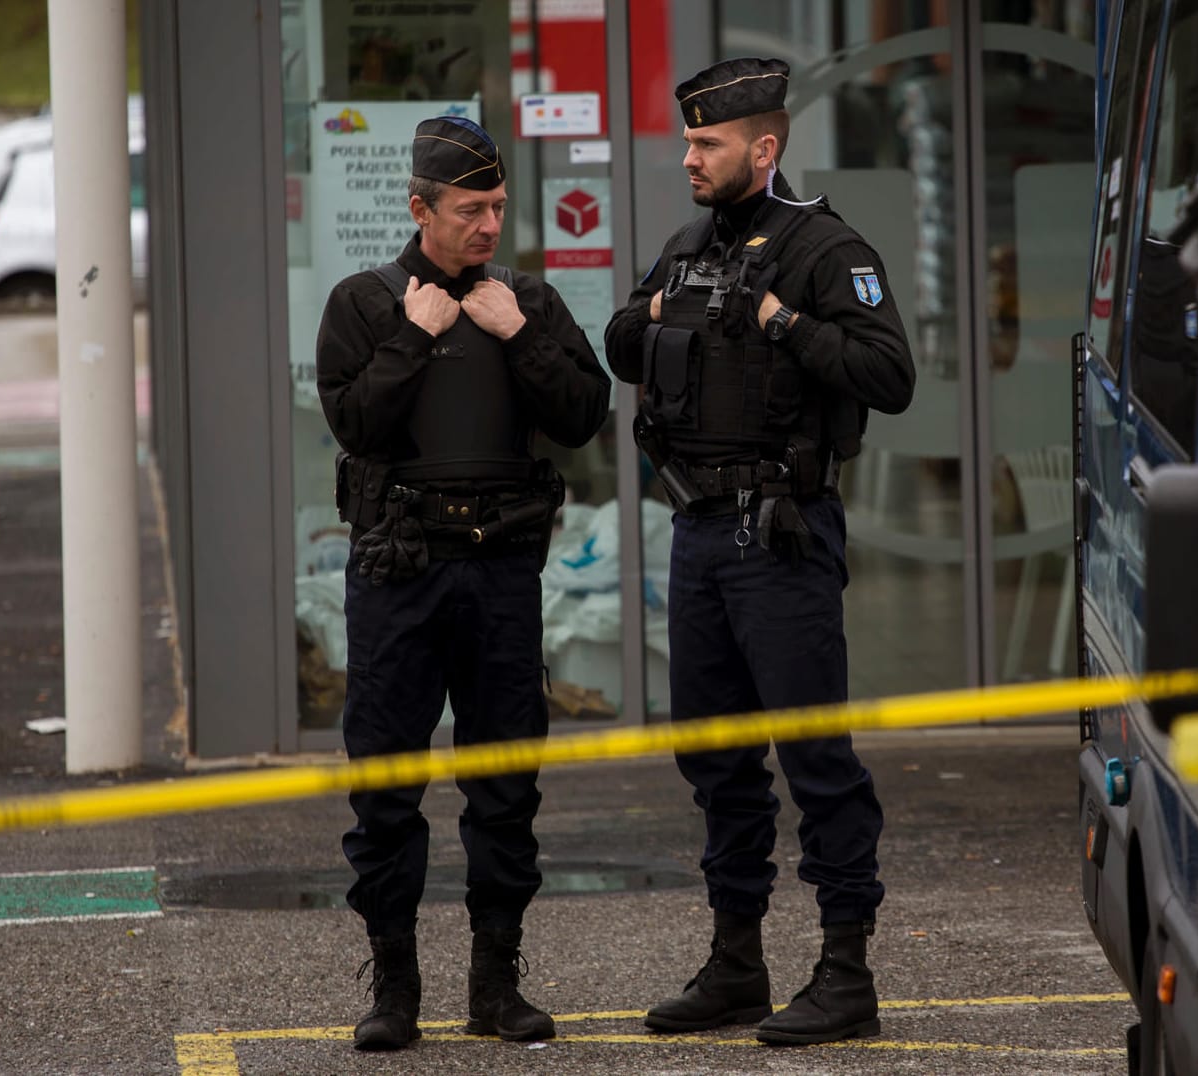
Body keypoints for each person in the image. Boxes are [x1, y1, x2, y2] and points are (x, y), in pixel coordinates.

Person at [603, 57, 915, 1046]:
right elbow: (618, 340)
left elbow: (888, 372)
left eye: (708, 144)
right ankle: (737, 961)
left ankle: (845, 970)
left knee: (816, 755)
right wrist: (658, 309)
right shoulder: (689, 248)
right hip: (698, 532)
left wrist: (782, 320)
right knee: (715, 756)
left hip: (783, 534)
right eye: (688, 141)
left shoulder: (825, 248)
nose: (689, 158)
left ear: (763, 148)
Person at [316, 115, 610, 1051]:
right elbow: (356, 424)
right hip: (400, 572)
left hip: (499, 572)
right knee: (388, 782)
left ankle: (496, 983)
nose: (488, 226)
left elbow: (584, 415)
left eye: (496, 208)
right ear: (420, 209)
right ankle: (395, 987)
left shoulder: (524, 300)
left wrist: (518, 334)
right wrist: (413, 335)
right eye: (468, 210)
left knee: (504, 783)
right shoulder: (364, 304)